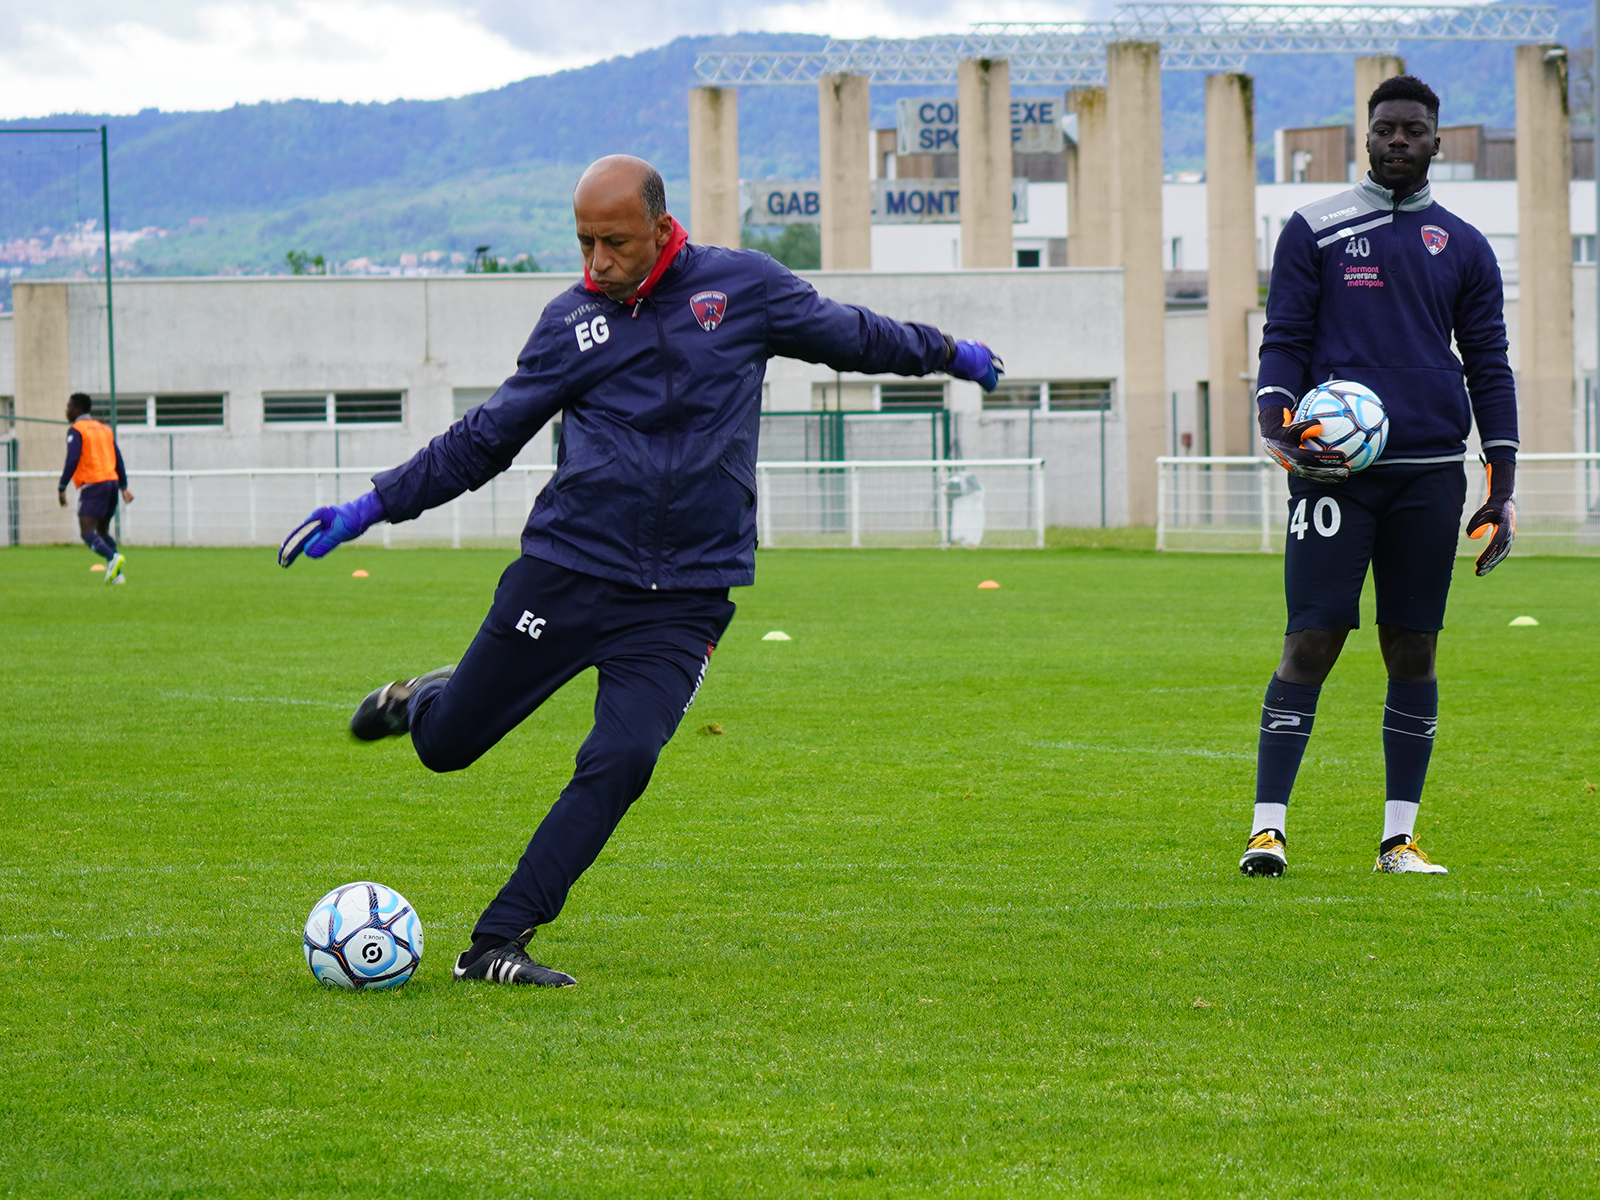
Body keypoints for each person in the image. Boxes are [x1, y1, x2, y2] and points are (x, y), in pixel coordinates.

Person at [278, 155, 1005, 985]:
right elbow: (484, 440)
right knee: (448, 750)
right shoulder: (570, 323)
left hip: (685, 601)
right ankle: (424, 700)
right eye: (584, 243)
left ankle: (495, 944)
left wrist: (952, 353)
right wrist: (372, 507)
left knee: (622, 760)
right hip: (566, 573)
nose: (596, 263)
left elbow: (857, 335)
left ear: (661, 229)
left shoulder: (743, 290)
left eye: (613, 243)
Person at [1239, 76, 1518, 879]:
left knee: (1413, 650)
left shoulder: (1464, 246)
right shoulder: (1315, 230)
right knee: (1311, 638)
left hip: (1430, 475)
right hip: (1333, 474)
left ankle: (1398, 842)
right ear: (1366, 139)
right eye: (1384, 130)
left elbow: (1490, 367)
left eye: (1413, 130)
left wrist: (1500, 487)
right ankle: (1267, 830)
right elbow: (1284, 339)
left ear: (1437, 142)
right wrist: (1276, 426)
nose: (1397, 140)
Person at [58, 392, 134, 584]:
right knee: (102, 531)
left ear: (77, 409)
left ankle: (112, 558)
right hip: (112, 484)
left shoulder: (77, 429)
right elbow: (118, 457)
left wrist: (62, 485)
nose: (67, 411)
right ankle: (117, 575)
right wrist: (124, 486)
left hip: (94, 485)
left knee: (87, 531)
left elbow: (73, 458)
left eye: (69, 407)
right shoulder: (104, 429)